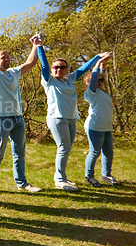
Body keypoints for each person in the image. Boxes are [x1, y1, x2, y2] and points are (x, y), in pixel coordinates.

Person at [38, 35, 107, 191]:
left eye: (62, 67)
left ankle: (63, 177)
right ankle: (60, 180)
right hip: (57, 118)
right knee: (63, 147)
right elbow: (43, 66)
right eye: (56, 67)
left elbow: (83, 69)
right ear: (51, 69)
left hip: (71, 117)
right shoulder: (49, 80)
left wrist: (98, 57)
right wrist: (40, 46)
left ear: (66, 69)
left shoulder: (69, 79)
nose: (59, 69)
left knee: (67, 148)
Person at [0, 32, 42, 197]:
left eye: (8, 57)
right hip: (1, 120)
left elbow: (31, 62)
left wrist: (35, 45)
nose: (7, 59)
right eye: (3, 57)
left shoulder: (14, 72)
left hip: (18, 118)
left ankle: (21, 183)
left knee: (19, 153)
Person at [83, 52, 121, 187]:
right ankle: (89, 177)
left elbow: (100, 74)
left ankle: (107, 175)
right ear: (88, 83)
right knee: (94, 152)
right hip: (95, 126)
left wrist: (103, 63)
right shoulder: (90, 93)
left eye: (102, 81)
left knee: (108, 153)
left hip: (106, 126)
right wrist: (98, 62)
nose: (100, 82)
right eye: (97, 81)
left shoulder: (103, 92)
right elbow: (95, 77)